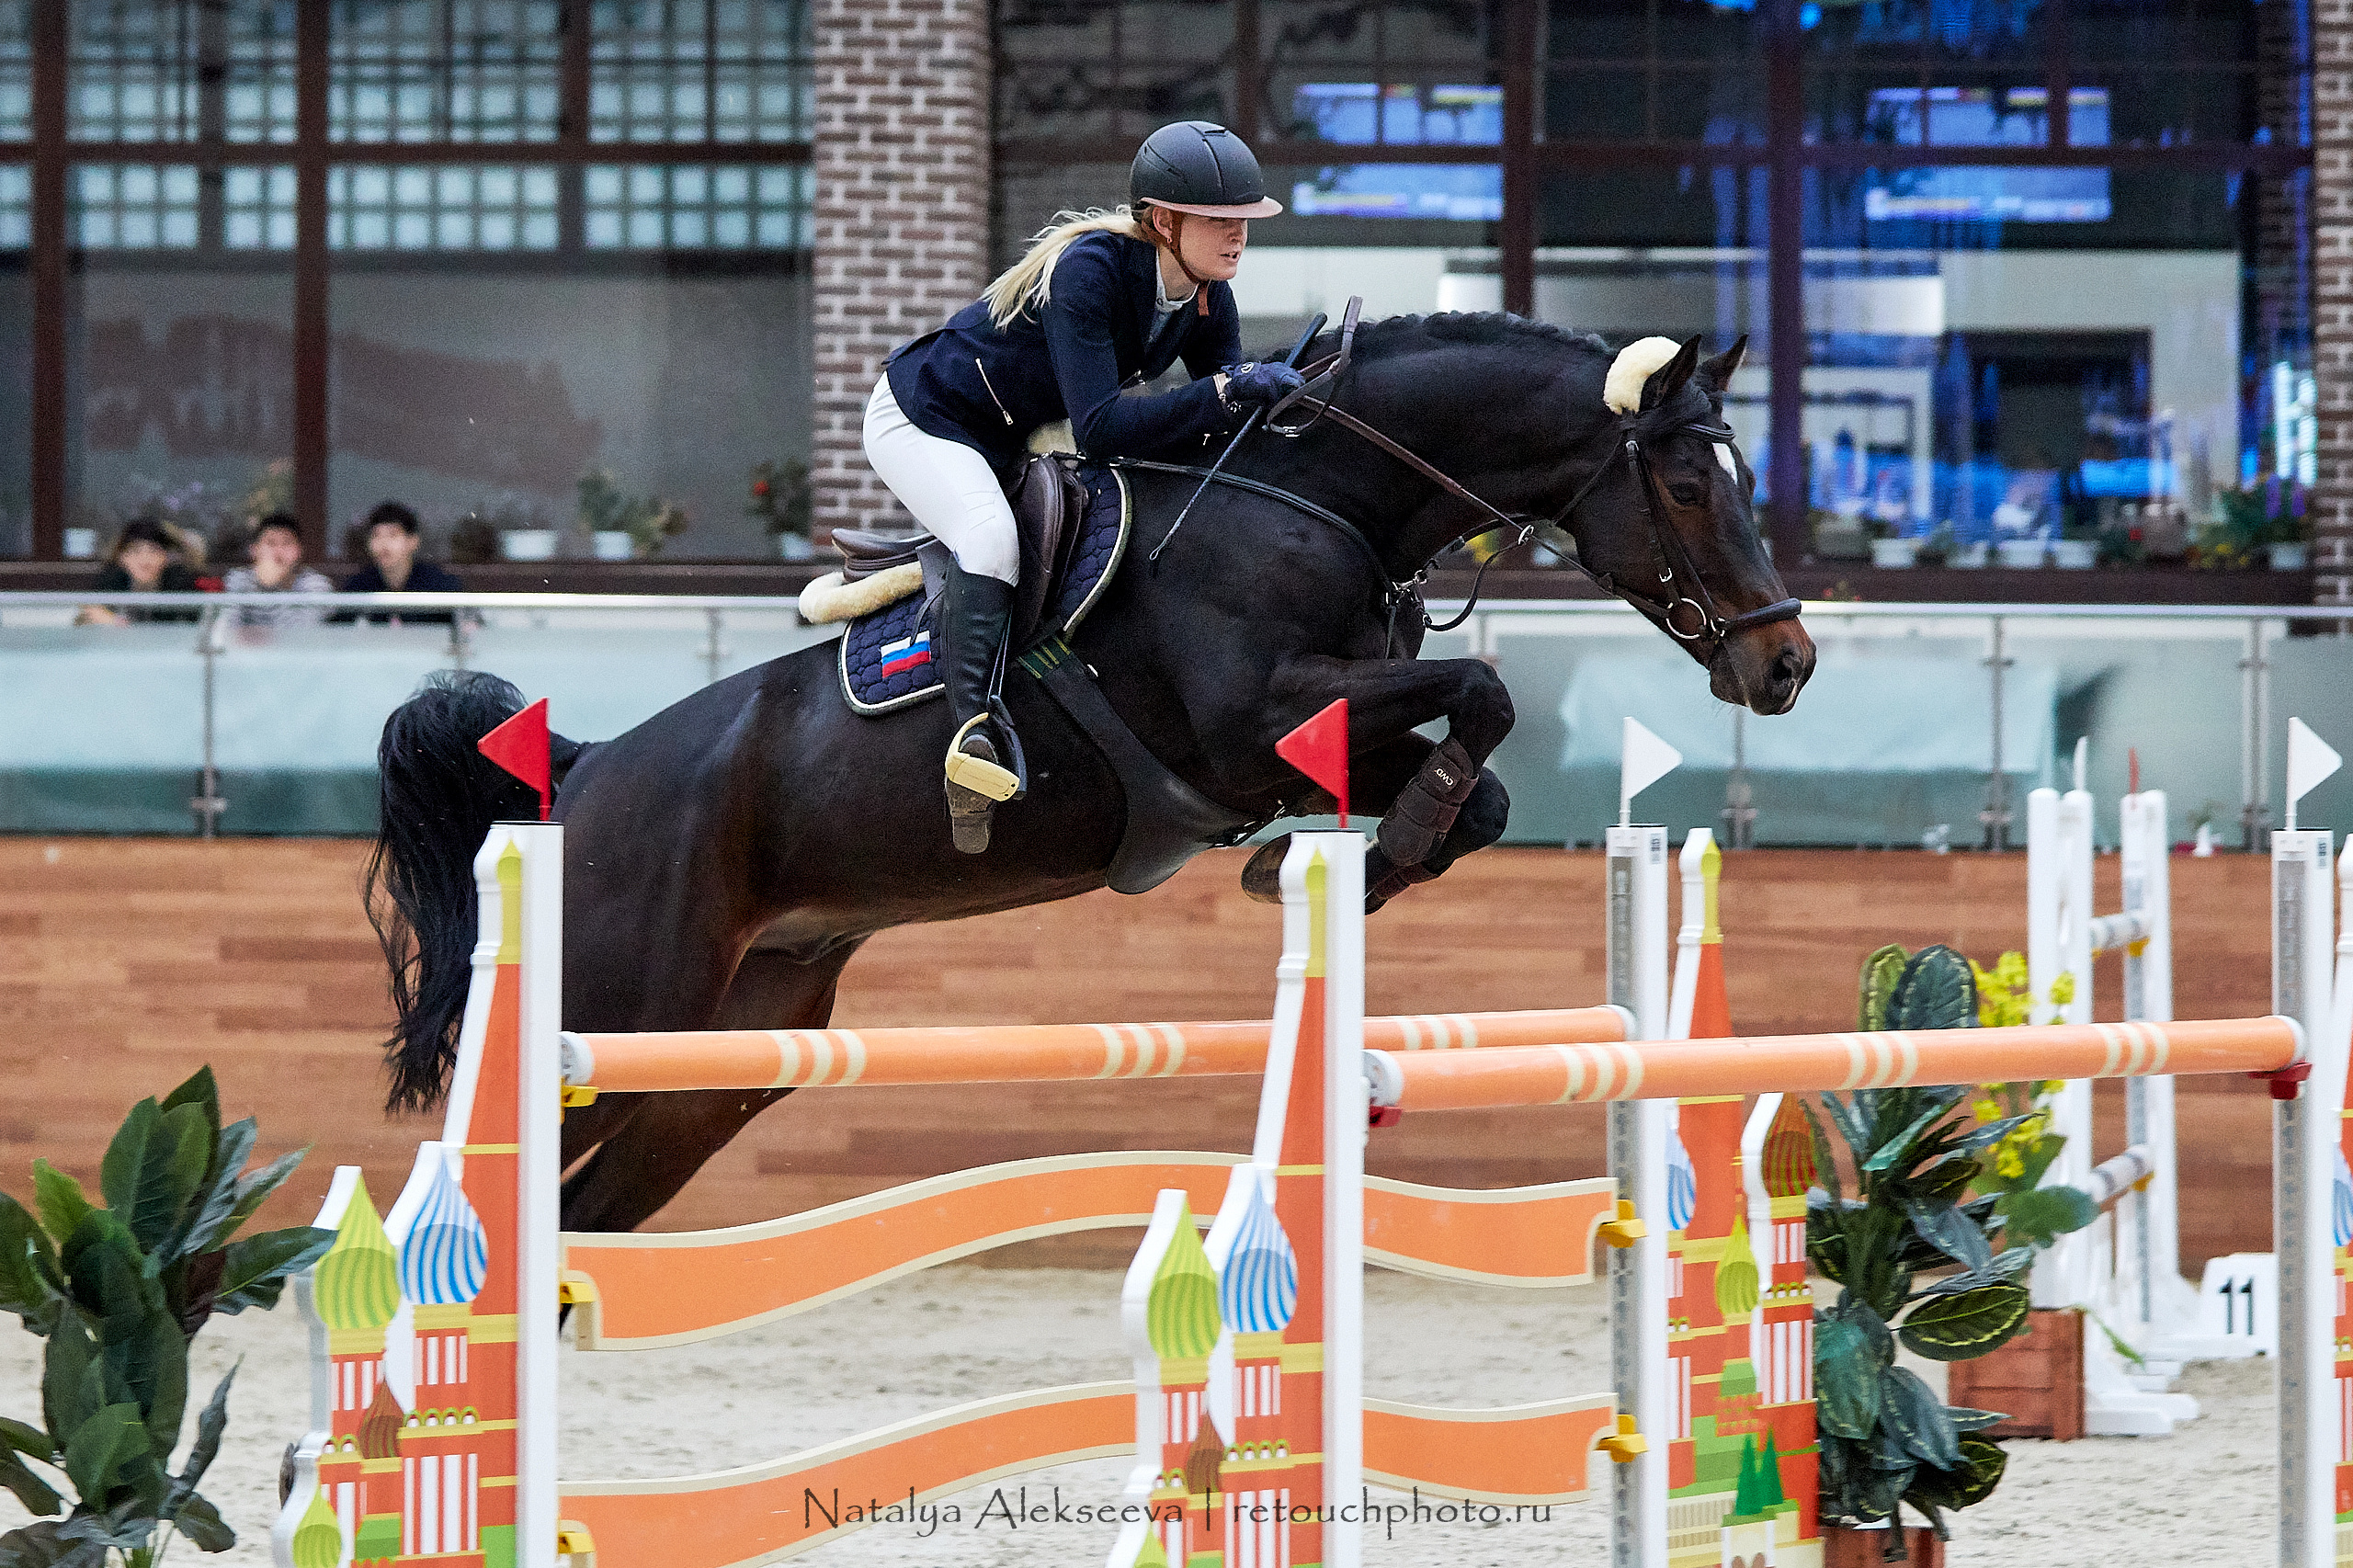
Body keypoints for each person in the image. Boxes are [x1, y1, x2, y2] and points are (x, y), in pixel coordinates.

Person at [868, 119, 1303, 853]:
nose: (1238, 238)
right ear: (1163, 221)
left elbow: (1218, 428)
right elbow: (1101, 429)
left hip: (1007, 439)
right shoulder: (1092, 269)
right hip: (925, 419)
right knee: (988, 537)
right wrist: (1229, 392)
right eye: (1221, 222)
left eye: (1245, 224)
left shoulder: (1206, 299)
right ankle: (974, 738)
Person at [336, 501, 466, 624]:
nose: (383, 544)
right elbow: (337, 630)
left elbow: (466, 625)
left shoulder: (439, 584)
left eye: (392, 535)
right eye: (376, 535)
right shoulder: (359, 585)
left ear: (413, 541)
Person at [75, 517, 202, 625]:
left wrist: (115, 623)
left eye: (154, 551)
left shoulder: (180, 590)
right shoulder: (107, 586)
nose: (145, 561)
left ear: (167, 557)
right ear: (121, 557)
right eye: (135, 551)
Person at [222, 512, 333, 628]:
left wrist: (270, 586)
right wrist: (262, 584)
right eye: (271, 543)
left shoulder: (316, 585)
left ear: (299, 551)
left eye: (286, 543)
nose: (278, 552)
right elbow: (226, 629)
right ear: (254, 550)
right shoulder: (239, 579)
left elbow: (300, 633)